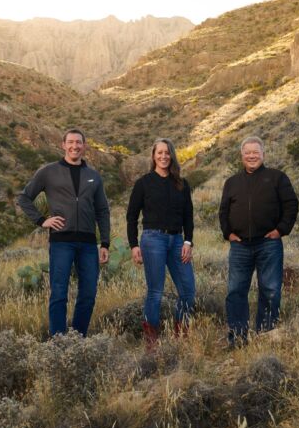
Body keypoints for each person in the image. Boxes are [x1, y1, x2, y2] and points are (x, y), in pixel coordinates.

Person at [17, 128, 110, 336]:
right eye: (71, 142)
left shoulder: (93, 176)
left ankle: (78, 338)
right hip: (61, 242)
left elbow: (103, 210)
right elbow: (24, 198)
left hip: (88, 243)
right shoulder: (48, 171)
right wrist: (42, 220)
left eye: (79, 142)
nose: (75, 146)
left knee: (88, 294)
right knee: (59, 293)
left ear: (84, 146)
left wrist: (104, 243)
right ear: (63, 145)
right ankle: (58, 342)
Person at [219, 136, 299, 346]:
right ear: (242, 156)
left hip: (268, 243)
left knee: (270, 289)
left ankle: (266, 335)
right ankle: (237, 337)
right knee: (236, 291)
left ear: (263, 154)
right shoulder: (232, 182)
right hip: (240, 246)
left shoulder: (277, 178)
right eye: (248, 153)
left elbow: (291, 205)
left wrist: (281, 230)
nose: (252, 156)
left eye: (256, 152)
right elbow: (223, 211)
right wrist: (228, 233)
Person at [126, 138, 196, 348]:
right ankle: (151, 341)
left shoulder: (182, 184)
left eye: (167, 153)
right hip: (152, 240)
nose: (164, 156)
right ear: (153, 156)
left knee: (188, 291)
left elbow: (189, 217)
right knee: (155, 291)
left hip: (177, 241)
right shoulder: (144, 183)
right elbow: (131, 216)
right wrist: (134, 245)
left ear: (172, 155)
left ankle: (181, 336)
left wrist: (188, 242)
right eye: (160, 153)